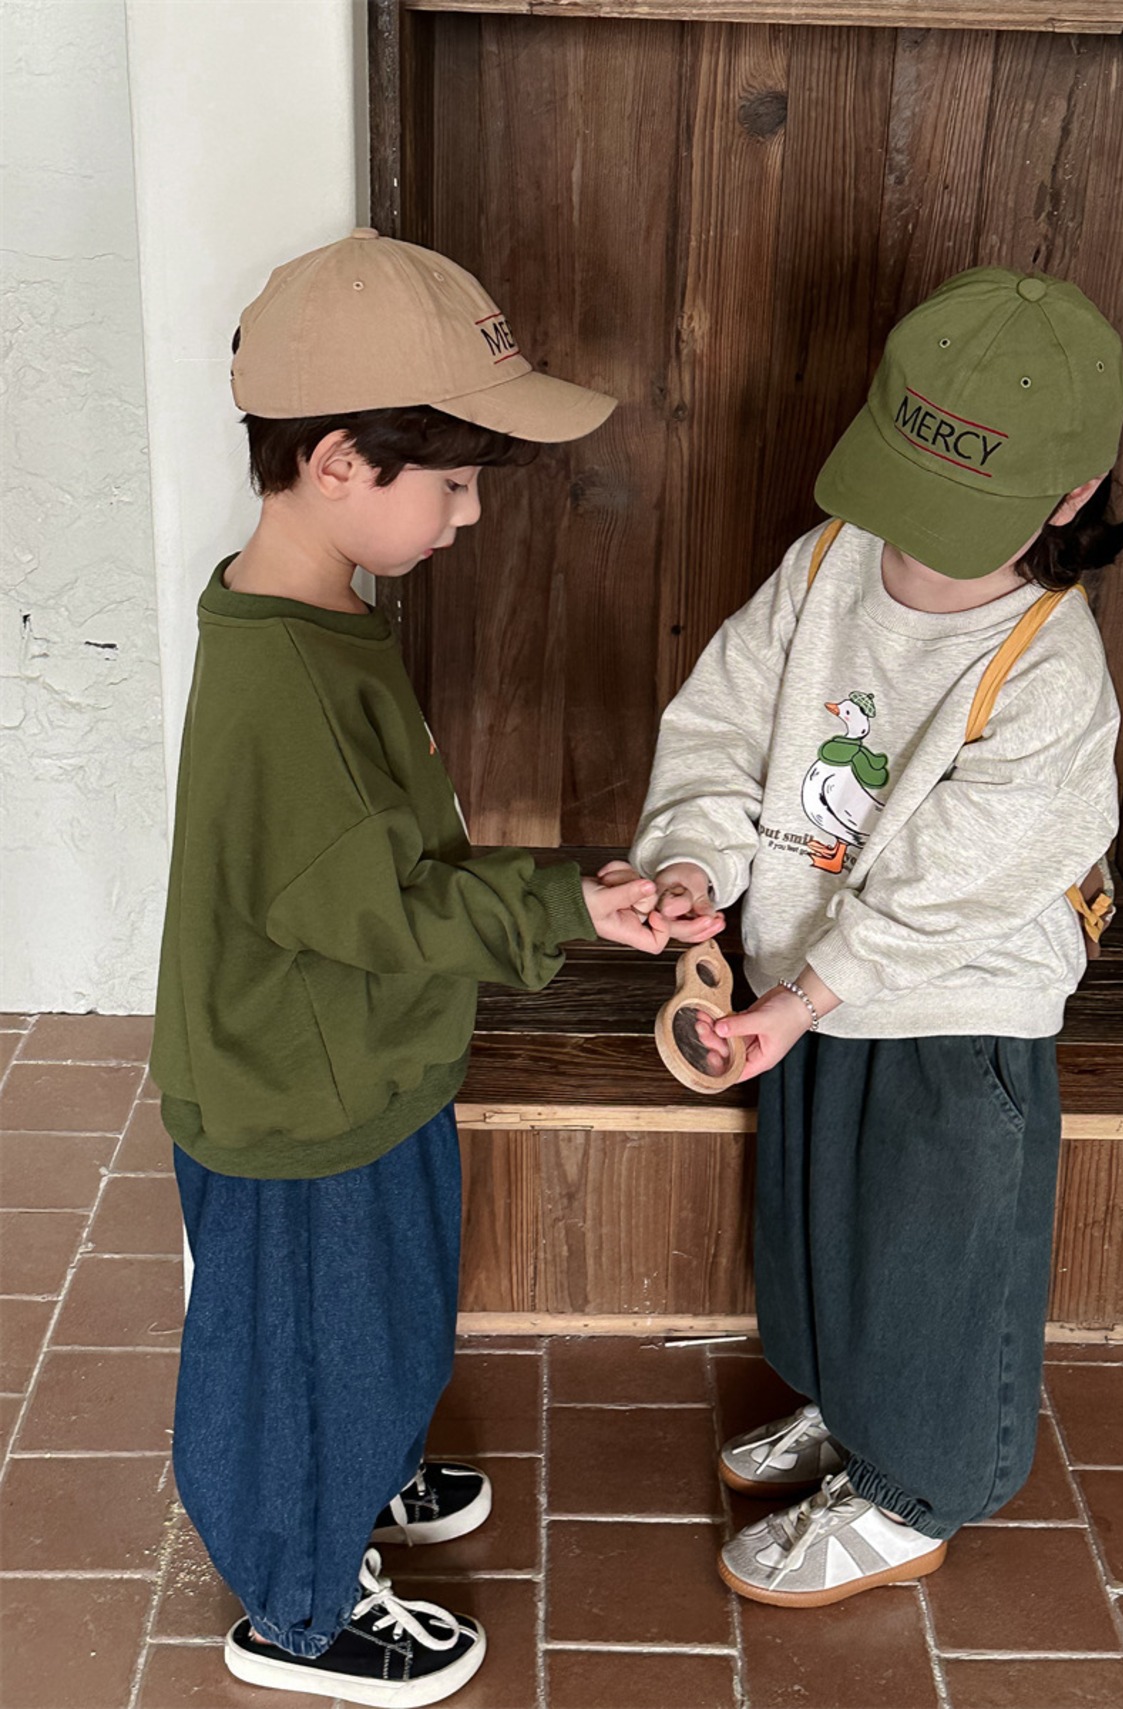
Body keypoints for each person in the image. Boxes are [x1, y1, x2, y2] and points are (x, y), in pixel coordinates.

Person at [149, 228, 668, 1704]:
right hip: (300, 1095)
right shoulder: (284, 682)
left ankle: (359, 1463)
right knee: (300, 1350)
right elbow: (381, 906)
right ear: (338, 463)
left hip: (358, 1053)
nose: (469, 514)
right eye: (450, 483)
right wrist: (564, 907)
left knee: (376, 1316)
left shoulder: (315, 614)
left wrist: (563, 899)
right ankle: (299, 1606)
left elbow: (377, 878)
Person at [626, 268, 1123, 1606]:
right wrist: (697, 862)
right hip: (807, 979)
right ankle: (855, 1408)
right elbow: (727, 723)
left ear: (1069, 497)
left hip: (952, 1007)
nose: (910, 544)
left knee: (930, 1258)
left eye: (953, 520)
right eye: (901, 496)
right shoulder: (830, 559)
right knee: (822, 1226)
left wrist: (806, 995)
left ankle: (920, 1482)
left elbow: (955, 886)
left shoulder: (1050, 671)